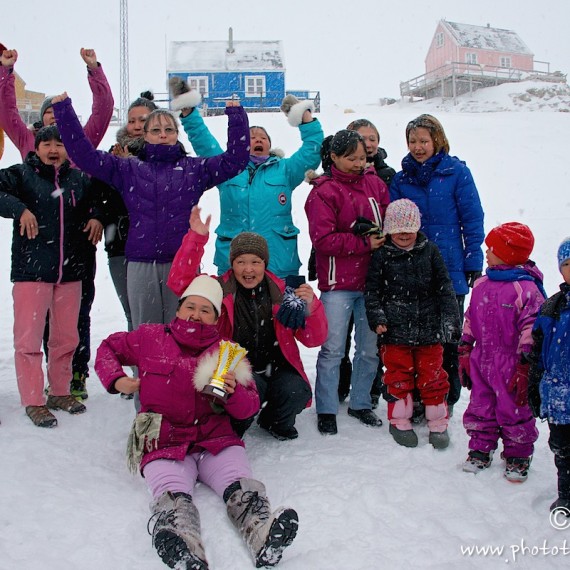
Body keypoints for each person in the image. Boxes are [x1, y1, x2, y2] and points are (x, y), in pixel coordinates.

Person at [94, 275, 299, 569]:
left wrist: (233, 393)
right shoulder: (149, 337)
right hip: (164, 439)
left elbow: (249, 407)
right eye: (191, 306)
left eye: (206, 310)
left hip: (215, 439)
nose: (196, 314)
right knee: (174, 496)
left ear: (216, 317)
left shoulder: (227, 351)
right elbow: (107, 348)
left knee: (242, 489)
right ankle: (182, 541)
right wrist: (116, 380)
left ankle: (263, 533)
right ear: (178, 309)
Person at [53, 93, 250, 331]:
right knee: (145, 335)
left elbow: (235, 160)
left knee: (184, 331)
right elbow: (84, 155)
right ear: (145, 136)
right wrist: (63, 110)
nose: (163, 134)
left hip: (183, 262)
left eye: (169, 129)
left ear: (177, 134)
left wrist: (236, 114)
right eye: (156, 130)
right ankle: (142, 371)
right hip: (140, 262)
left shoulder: (195, 169)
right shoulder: (127, 168)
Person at [1, 47, 113, 401]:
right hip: (36, 253)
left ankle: (70, 380)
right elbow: (7, 113)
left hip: (74, 253)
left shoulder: (79, 149)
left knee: (73, 323)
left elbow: (103, 111)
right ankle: (36, 391)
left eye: (60, 125)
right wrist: (6, 72)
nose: (54, 142)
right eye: (47, 118)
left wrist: (94, 69)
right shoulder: (25, 152)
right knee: (34, 329)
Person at [167, 206, 327, 441]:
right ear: (232, 263)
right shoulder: (218, 290)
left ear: (265, 264)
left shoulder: (283, 293)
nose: (248, 269)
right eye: (241, 262)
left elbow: (314, 340)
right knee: (242, 402)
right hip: (238, 369)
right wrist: (196, 239)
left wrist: (312, 307)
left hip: (277, 366)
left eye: (255, 262)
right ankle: (237, 420)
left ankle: (273, 420)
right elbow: (180, 283)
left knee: (296, 391)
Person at [0, 126, 102, 427]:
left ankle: (59, 391)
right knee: (28, 340)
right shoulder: (21, 175)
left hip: (70, 272)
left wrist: (97, 215)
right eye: (47, 144)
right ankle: (33, 399)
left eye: (60, 143)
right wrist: (20, 209)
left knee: (65, 338)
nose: (53, 149)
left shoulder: (80, 179)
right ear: (37, 147)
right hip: (32, 271)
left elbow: (101, 197)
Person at [172, 82, 324, 278]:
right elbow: (204, 143)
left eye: (263, 137)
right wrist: (189, 112)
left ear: (270, 145)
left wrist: (304, 117)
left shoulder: (285, 170)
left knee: (280, 310)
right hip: (234, 263)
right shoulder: (228, 168)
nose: (258, 139)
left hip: (278, 263)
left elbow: (312, 150)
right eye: (252, 136)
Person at [390, 114, 485, 415]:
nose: (418, 147)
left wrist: (473, 258)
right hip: (411, 269)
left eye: (423, 141)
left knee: (448, 335)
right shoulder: (401, 178)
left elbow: (472, 218)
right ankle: (419, 397)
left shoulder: (456, 172)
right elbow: (393, 223)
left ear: (437, 141)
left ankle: (446, 397)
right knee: (415, 337)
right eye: (413, 141)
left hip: (450, 266)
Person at [305, 129, 389, 435]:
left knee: (369, 349)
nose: (358, 163)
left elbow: (388, 223)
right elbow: (323, 239)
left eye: (362, 157)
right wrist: (362, 240)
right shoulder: (323, 191)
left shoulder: (376, 185)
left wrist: (381, 235)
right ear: (334, 158)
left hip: (372, 283)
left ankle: (361, 402)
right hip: (337, 284)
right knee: (332, 349)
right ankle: (326, 407)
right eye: (350, 158)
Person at [365, 199, 460, 448]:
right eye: (398, 230)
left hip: (429, 329)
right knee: (398, 376)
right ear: (389, 231)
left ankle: (438, 423)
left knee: (433, 376)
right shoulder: (382, 256)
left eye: (409, 229)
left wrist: (450, 319)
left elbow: (445, 287)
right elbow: (372, 291)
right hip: (394, 331)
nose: (404, 234)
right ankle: (399, 420)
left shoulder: (430, 251)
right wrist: (377, 318)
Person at [459, 222, 545, 482]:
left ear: (508, 253)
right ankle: (480, 448)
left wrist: (525, 362)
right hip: (482, 358)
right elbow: (471, 316)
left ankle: (518, 454)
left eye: (491, 248)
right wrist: (465, 346)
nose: (486, 252)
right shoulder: (482, 284)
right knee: (480, 405)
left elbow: (531, 326)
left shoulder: (525, 289)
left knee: (514, 408)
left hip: (511, 361)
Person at [336, 118, 397, 406]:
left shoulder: (386, 175)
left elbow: (394, 216)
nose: (369, 144)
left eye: (373, 137)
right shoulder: (333, 177)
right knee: (340, 339)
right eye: (362, 138)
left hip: (376, 267)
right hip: (341, 270)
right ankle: (339, 387)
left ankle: (369, 390)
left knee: (371, 338)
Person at [99, 92, 159, 334]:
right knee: (132, 311)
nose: (135, 126)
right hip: (120, 243)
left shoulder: (165, 152)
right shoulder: (113, 153)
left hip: (157, 245)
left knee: (160, 312)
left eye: (142, 120)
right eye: (131, 120)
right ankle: (140, 368)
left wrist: (131, 167)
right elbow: (101, 196)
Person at [0, 47, 114, 159]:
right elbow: (6, 111)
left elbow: (104, 108)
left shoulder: (83, 140)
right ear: (41, 118)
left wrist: (94, 69)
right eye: (49, 112)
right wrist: (5, 69)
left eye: (59, 111)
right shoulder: (26, 139)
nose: (54, 115)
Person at [528, 237, 570, 513]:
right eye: (568, 263)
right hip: (558, 396)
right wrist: (534, 385)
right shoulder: (551, 307)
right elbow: (538, 351)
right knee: (562, 450)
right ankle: (566, 494)